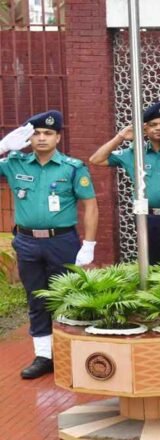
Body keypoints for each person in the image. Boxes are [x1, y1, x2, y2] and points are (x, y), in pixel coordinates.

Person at [0, 111, 98, 379]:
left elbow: (90, 205)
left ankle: (70, 352)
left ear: (58, 137)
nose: (41, 138)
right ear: (28, 138)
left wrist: (89, 244)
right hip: (28, 241)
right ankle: (44, 356)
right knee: (36, 298)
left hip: (62, 241)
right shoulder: (15, 163)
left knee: (68, 297)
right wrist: (2, 147)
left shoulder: (72, 167)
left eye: (48, 133)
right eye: (36, 133)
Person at [89, 102, 160, 268]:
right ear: (145, 129)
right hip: (148, 219)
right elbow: (96, 159)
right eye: (153, 125)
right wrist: (120, 137)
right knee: (151, 267)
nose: (159, 128)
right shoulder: (134, 153)